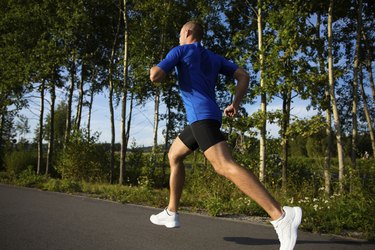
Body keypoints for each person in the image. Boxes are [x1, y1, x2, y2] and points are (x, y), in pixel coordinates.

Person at [149, 21, 302, 250]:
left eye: (180, 33)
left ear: (187, 33)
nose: (179, 37)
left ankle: (280, 215)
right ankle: (171, 212)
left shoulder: (180, 50)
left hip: (202, 117)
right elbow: (243, 75)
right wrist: (235, 103)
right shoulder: (213, 57)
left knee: (224, 165)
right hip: (203, 118)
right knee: (174, 155)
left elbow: (156, 76)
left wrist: (154, 69)